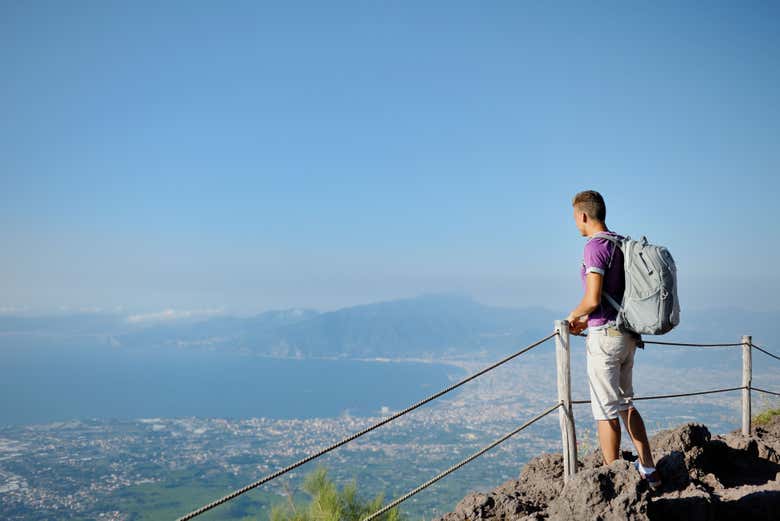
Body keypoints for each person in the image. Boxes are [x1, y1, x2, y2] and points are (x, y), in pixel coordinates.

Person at [565, 190, 662, 491]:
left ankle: (615, 477)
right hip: (627, 335)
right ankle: (648, 468)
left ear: (583, 215)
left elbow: (593, 298)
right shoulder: (620, 244)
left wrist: (570, 318)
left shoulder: (594, 247)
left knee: (604, 410)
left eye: (574, 218)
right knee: (625, 404)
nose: (575, 224)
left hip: (605, 338)